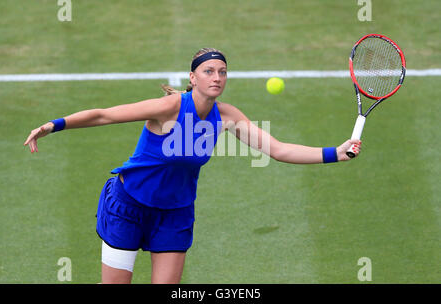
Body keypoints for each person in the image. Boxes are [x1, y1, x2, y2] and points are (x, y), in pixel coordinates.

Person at [23, 48, 361, 284]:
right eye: (209, 71)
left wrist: (336, 152)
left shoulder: (227, 116)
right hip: (128, 206)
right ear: (193, 77)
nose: (217, 77)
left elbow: (279, 150)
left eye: (222, 72)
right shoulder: (169, 107)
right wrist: (53, 125)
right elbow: (104, 115)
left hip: (175, 215)